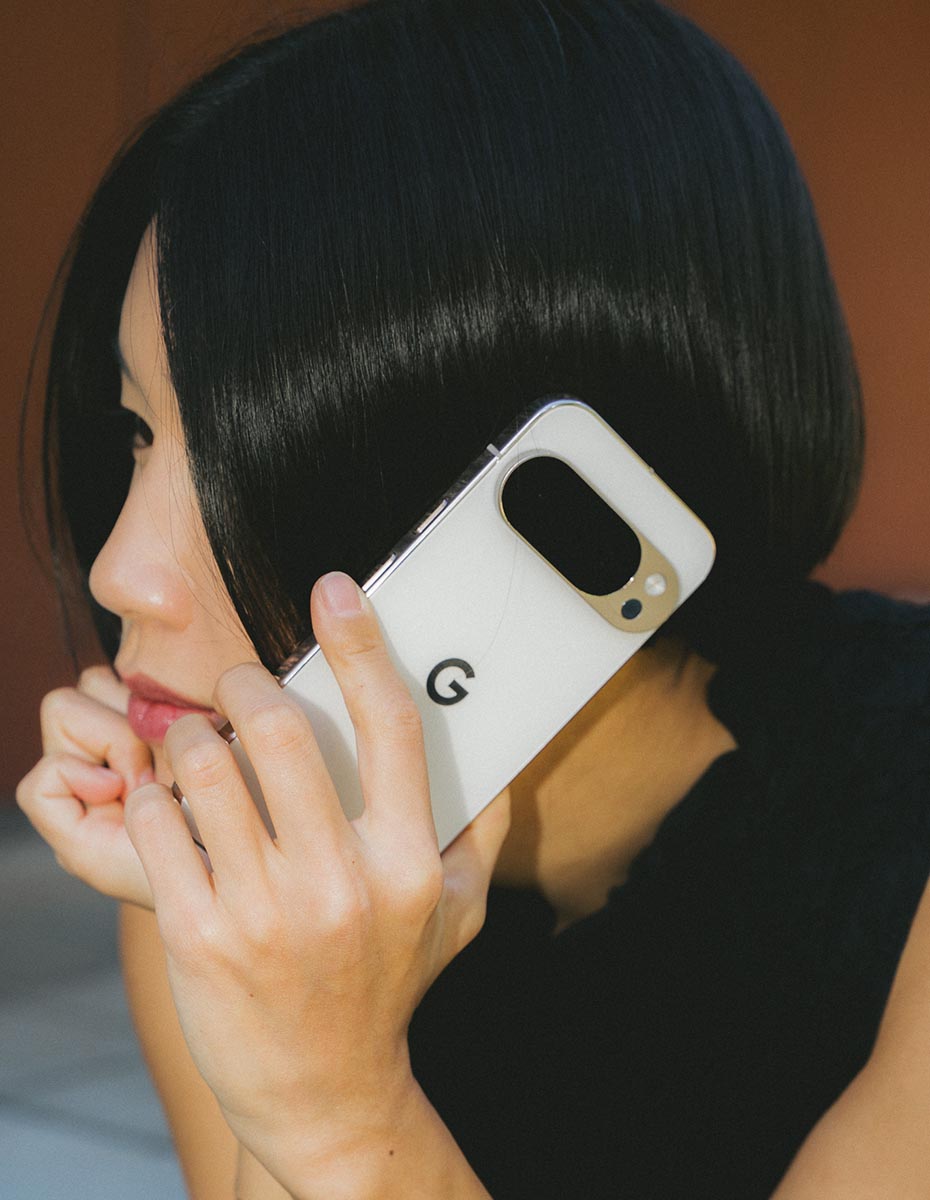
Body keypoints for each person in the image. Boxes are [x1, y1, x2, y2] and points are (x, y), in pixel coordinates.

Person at [15, 0, 930, 1196]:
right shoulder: (249, 858)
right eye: (140, 430)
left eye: (248, 468)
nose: (116, 571)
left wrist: (336, 1114)